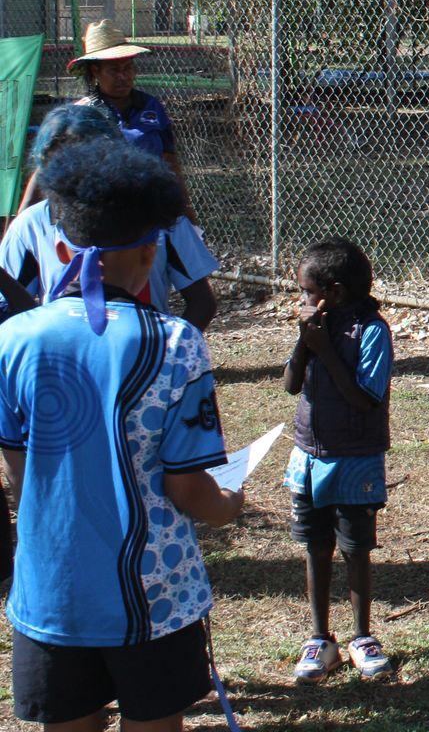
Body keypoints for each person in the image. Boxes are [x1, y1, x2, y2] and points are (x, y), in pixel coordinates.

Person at [0, 137, 243, 731]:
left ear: (60, 248)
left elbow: (19, 472)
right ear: (150, 253)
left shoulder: (12, 340)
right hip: (152, 595)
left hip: (50, 591)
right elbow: (189, 491)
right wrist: (228, 507)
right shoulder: (177, 343)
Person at [283, 237, 397, 683]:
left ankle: (362, 636)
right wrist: (304, 342)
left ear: (334, 291)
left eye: (309, 292)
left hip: (355, 458)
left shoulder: (372, 331)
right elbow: (292, 385)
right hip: (309, 453)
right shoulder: (315, 328)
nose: (303, 300)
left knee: (355, 547)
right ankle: (319, 638)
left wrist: (326, 350)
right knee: (315, 544)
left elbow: (365, 399)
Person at [1, 104, 220, 331]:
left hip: (143, 353)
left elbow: (202, 302)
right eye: (58, 162)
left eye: (82, 159)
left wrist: (170, 353)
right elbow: (11, 307)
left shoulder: (159, 214)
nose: (72, 174)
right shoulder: (31, 224)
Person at [18, 21, 194, 218]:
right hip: (102, 216)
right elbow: (47, 170)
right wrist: (21, 221)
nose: (123, 76)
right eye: (114, 70)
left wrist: (185, 210)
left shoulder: (151, 106)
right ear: (95, 70)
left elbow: (170, 163)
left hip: (151, 209)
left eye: (128, 68)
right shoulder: (79, 116)